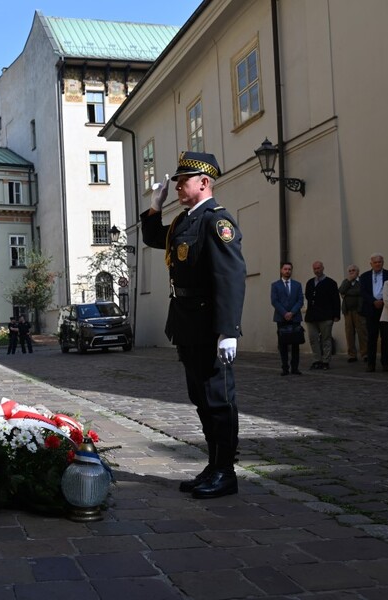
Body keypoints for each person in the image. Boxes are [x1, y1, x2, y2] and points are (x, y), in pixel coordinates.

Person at [141, 151, 245, 499]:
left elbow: (231, 278)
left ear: (203, 183)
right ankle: (214, 464)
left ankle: (226, 471)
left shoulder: (218, 222)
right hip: (186, 322)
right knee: (200, 398)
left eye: (181, 182)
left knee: (219, 400)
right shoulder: (186, 222)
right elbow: (155, 238)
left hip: (209, 324)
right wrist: (155, 207)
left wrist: (228, 330)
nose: (177, 187)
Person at [359, 253, 388, 372]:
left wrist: (384, 301)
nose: (378, 264)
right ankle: (371, 363)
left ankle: (385, 362)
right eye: (375, 262)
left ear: (383, 263)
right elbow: (363, 292)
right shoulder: (364, 276)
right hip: (371, 309)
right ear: (371, 264)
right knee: (372, 337)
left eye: (380, 262)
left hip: (386, 309)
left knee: (386, 337)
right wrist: (373, 301)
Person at [304, 261, 340, 370]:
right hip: (312, 316)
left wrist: (336, 314)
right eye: (315, 268)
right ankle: (317, 360)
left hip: (326, 316)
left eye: (318, 268)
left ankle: (326, 360)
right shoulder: (310, 282)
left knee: (326, 339)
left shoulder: (330, 282)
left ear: (323, 268)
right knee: (313, 339)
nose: (317, 270)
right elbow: (308, 298)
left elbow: (336, 300)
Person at [271, 262, 304, 376]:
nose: (287, 271)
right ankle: (285, 368)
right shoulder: (275, 285)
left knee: (295, 344)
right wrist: (285, 313)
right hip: (281, 318)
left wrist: (292, 312)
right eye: (285, 269)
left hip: (295, 318)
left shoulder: (297, 285)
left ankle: (295, 368)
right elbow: (274, 301)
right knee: (283, 344)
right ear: (281, 270)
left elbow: (300, 300)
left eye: (289, 269)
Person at [339, 265, 367, 363]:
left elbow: (361, 291)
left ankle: (365, 354)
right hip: (348, 311)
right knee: (349, 333)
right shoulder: (346, 281)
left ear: (358, 272)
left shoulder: (361, 281)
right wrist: (349, 281)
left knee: (362, 332)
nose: (351, 272)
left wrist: (347, 293)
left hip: (359, 311)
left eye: (353, 270)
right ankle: (352, 355)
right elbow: (341, 290)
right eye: (350, 271)